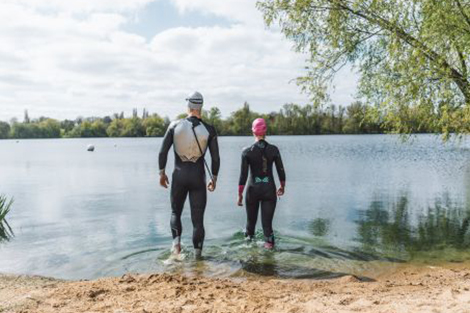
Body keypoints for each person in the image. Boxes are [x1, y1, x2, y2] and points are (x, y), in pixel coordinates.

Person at [158, 91, 220, 258]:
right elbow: (216, 158)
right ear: (201, 107)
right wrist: (214, 178)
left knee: (175, 213)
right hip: (198, 178)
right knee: (198, 221)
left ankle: (176, 249)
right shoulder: (209, 130)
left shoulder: (174, 126)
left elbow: (163, 151)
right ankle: (198, 257)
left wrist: (161, 173)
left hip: (179, 176)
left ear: (189, 106)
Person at [237, 118, 286, 249]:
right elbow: (281, 170)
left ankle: (249, 253)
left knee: (250, 225)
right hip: (269, 190)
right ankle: (269, 250)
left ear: (253, 132)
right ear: (265, 132)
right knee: (267, 226)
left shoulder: (246, 151)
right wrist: (282, 186)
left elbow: (243, 175)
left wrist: (240, 195)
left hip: (252, 190)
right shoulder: (274, 150)